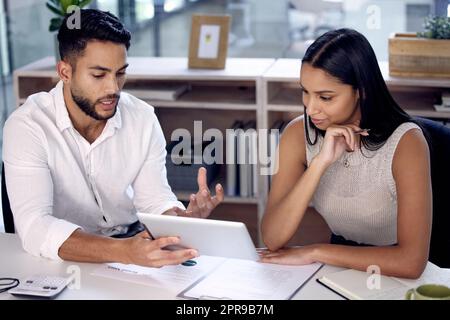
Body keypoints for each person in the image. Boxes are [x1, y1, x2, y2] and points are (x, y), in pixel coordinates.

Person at [2, 9, 224, 267]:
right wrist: (122, 252)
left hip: (132, 247)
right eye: (98, 75)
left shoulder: (142, 117)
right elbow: (35, 227)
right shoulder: (27, 126)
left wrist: (180, 219)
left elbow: (154, 200)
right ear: (65, 72)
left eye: (120, 73)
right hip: (62, 259)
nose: (113, 88)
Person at [260, 28, 432, 279]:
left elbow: (411, 262)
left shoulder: (407, 143)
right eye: (305, 91)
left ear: (361, 90)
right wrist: (320, 163)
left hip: (396, 273)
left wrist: (316, 251)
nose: (311, 108)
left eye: (325, 97)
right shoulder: (298, 134)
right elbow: (273, 238)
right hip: (341, 269)